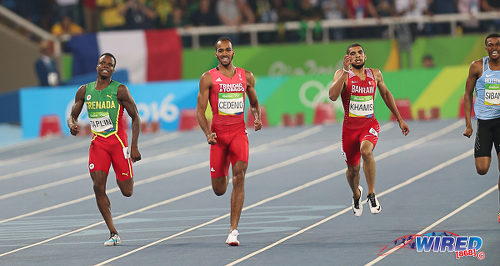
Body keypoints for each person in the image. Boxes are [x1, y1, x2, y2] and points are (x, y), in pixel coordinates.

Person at [67, 53, 141, 245]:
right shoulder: (85, 90)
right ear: (97, 65)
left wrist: (133, 147)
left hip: (118, 144)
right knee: (98, 186)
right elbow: (72, 115)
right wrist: (72, 124)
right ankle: (113, 232)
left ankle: (124, 172)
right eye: (103, 63)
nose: (106, 66)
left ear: (113, 70)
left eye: (110, 64)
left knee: (127, 191)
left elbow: (136, 117)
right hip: (98, 145)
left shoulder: (120, 90)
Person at [329, 43, 410, 217]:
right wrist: (344, 71)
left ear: (365, 57)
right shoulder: (342, 74)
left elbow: (387, 95)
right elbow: (332, 96)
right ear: (348, 58)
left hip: (369, 125)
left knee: (366, 152)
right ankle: (356, 194)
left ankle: (371, 194)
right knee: (353, 170)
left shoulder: (376, 74)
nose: (357, 55)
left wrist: (400, 119)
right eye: (352, 53)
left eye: (360, 53)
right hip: (349, 129)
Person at [196, 37, 262, 246]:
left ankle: (233, 230)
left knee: (240, 176)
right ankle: (221, 182)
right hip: (218, 138)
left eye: (228, 50)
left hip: (238, 134)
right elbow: (199, 110)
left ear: (233, 53)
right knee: (219, 189)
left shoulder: (246, 76)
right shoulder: (208, 78)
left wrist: (257, 117)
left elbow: (254, 103)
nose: (224, 53)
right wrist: (207, 132)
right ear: (216, 54)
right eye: (220, 50)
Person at [463, 33, 500, 223]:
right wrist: (469, 124)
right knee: (482, 169)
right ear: (486, 48)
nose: (495, 47)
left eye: (498, 44)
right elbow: (468, 94)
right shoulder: (477, 66)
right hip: (484, 123)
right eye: (491, 45)